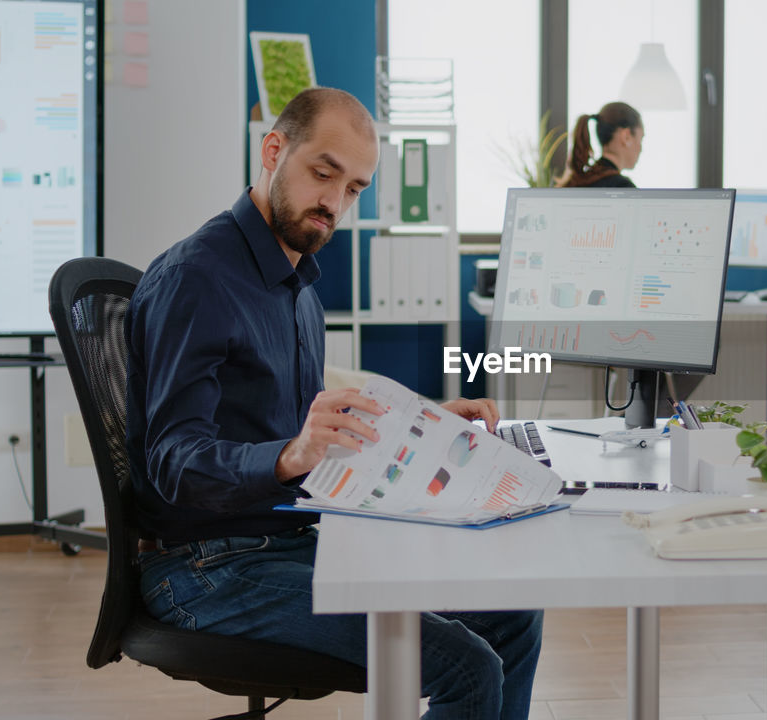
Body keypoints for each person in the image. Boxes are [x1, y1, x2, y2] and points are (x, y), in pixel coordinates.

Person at [124, 87, 543, 719]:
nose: (333, 203)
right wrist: (292, 455)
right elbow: (174, 462)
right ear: (273, 151)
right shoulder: (197, 278)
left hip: (289, 540)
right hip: (203, 568)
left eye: (353, 189)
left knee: (514, 612)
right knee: (466, 664)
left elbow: (299, 427)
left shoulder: (298, 286)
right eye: (323, 174)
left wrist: (422, 425)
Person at [555, 101, 643, 188]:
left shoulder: (576, 181)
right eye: (640, 139)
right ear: (626, 137)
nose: (640, 148)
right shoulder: (622, 187)